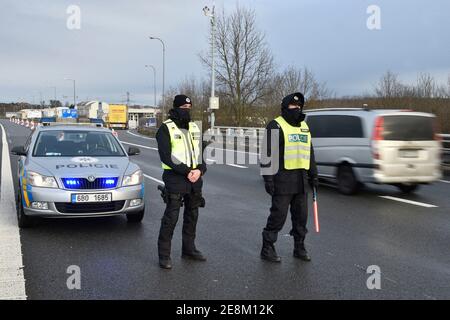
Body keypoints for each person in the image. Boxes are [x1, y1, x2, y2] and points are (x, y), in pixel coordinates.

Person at [260, 92, 318, 263]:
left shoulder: (304, 127)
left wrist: (314, 174)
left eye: (299, 106)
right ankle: (267, 247)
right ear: (285, 108)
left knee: (301, 217)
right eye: (293, 106)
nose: (297, 109)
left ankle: (299, 247)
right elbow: (267, 154)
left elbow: (310, 152)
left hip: (301, 180)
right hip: (282, 180)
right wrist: (268, 179)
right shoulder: (275, 126)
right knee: (278, 216)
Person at [156, 94, 207, 269]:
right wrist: (187, 171)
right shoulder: (165, 128)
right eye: (183, 108)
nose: (187, 111)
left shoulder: (194, 127)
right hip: (175, 178)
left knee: (192, 216)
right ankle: (164, 255)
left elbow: (200, 153)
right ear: (176, 108)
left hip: (194, 179)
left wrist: (200, 170)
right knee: (171, 217)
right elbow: (167, 156)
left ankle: (189, 250)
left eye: (189, 108)